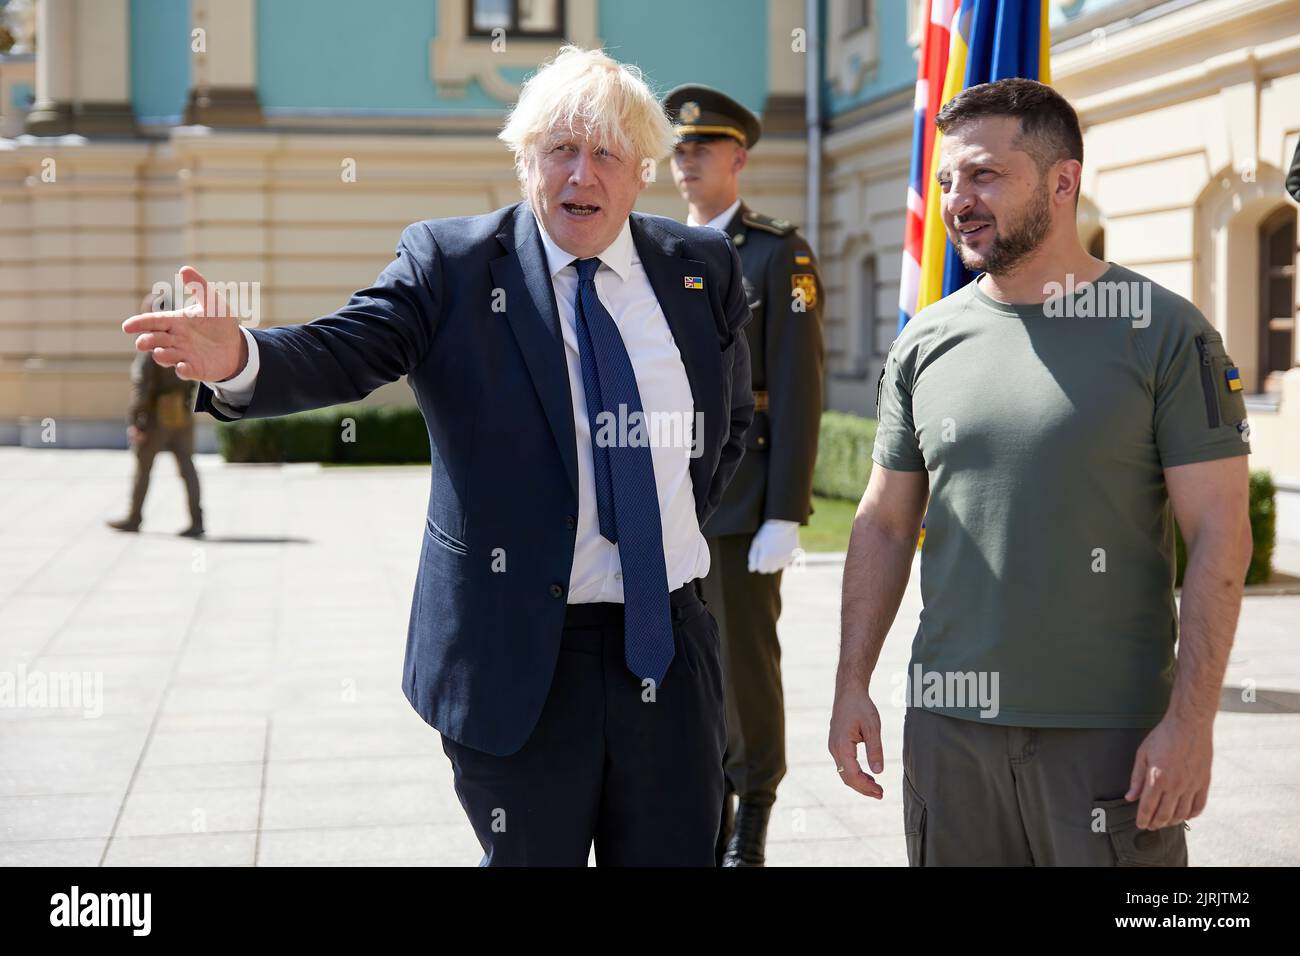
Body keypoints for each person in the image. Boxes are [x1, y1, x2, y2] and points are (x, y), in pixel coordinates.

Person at [122, 46, 754, 867]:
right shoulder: (453, 266)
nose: (580, 176)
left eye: (604, 153)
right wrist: (242, 357)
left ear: (642, 170)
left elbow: (726, 428)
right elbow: (345, 349)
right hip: (520, 662)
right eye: (559, 149)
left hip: (665, 652)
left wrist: (657, 535)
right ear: (524, 160)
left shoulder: (700, 267)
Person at [829, 78, 1254, 866]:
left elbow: (1221, 533)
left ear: (1063, 182)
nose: (960, 199)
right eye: (949, 179)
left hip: (1108, 742)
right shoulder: (926, 340)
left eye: (985, 174)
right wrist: (852, 682)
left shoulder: (1163, 332)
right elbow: (885, 522)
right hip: (949, 739)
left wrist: (1191, 725)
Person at [664, 84, 824, 866]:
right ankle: (704, 806)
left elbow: (799, 385)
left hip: (742, 500)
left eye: (703, 147)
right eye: (679, 149)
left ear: (739, 158)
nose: (687, 159)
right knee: (682, 669)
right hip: (665, 496)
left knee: (743, 667)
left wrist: (786, 510)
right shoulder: (651, 246)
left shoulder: (775, 252)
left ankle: (750, 820)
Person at [107, 288, 204, 538]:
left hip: (155, 419)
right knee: (188, 469)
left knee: (143, 469)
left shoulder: (149, 347)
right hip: (181, 415)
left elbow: (141, 389)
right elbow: (195, 378)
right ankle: (197, 521)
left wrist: (136, 423)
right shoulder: (186, 342)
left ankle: (134, 517)